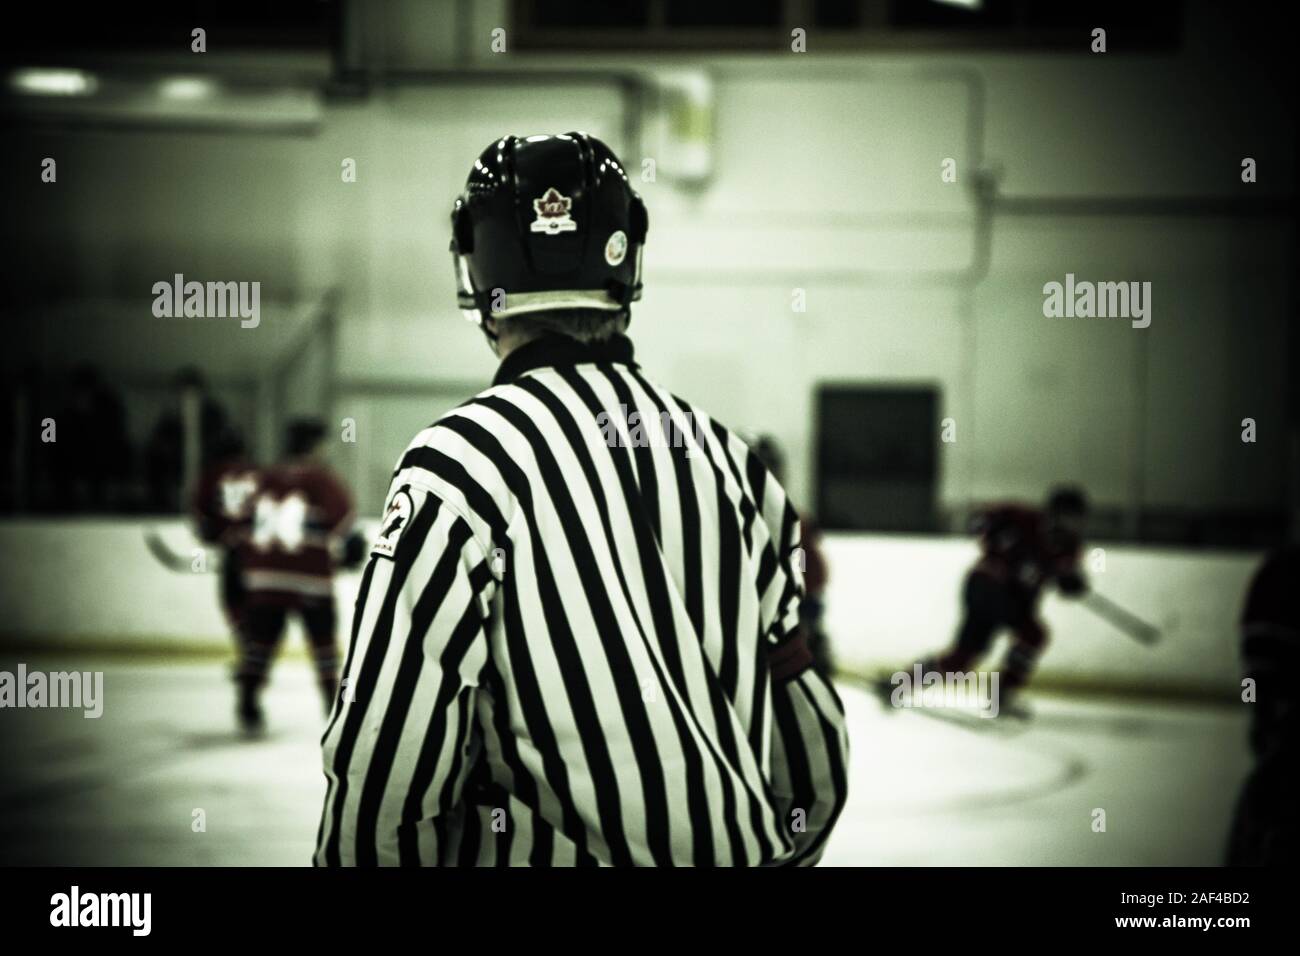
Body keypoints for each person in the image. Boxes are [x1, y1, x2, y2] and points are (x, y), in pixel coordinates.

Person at [316, 132, 849, 867]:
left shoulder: (457, 469)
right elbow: (812, 755)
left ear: (477, 273)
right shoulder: (732, 462)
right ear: (626, 263)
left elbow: (385, 771)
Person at [234, 419, 363, 733]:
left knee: (260, 642)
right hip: (310, 578)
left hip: (263, 578)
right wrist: (351, 551)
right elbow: (344, 526)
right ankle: (333, 704)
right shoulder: (322, 480)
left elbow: (241, 524)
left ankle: (248, 699)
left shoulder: (263, 478)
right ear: (315, 445)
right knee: (323, 644)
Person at [915, 487, 1089, 707]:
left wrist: (1071, 583)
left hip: (1012, 597)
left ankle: (902, 683)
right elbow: (977, 521)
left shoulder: (1069, 548)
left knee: (961, 659)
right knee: (1033, 634)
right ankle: (1001, 696)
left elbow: (1068, 577)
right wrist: (991, 531)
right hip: (987, 587)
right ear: (1057, 513)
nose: (1076, 524)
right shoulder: (1021, 517)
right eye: (1073, 517)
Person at [1226, 545, 1299, 865]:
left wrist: (1257, 712)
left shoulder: (1278, 570)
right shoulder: (1283, 573)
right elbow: (1254, 669)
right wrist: (1258, 710)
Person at [189, 426, 258, 652]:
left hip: (232, 550)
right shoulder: (256, 472)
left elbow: (200, 511)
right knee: (253, 599)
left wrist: (213, 536)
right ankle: (254, 646)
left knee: (232, 599)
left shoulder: (211, 474)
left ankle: (246, 644)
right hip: (256, 549)